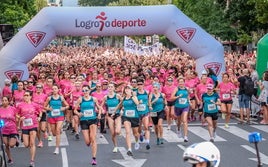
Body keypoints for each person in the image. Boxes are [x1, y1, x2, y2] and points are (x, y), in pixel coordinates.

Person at [73, 85, 103, 165]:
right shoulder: (80, 99)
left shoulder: (94, 99)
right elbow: (75, 110)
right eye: (83, 90)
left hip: (93, 120)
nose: (85, 92)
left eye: (86, 90)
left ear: (89, 91)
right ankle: (89, 141)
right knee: (87, 142)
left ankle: (94, 158)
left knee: (93, 139)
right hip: (83, 121)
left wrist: (99, 113)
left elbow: (99, 107)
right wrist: (78, 113)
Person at [17, 90, 42, 167]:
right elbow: (16, 114)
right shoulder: (20, 105)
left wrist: (39, 117)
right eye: (25, 95)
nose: (26, 97)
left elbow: (40, 111)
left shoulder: (35, 105)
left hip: (33, 125)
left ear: (31, 96)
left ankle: (32, 161)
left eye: (27, 95)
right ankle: (18, 138)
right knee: (26, 144)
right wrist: (20, 117)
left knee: (32, 143)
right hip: (24, 126)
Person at [44, 84, 69, 155]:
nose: (54, 90)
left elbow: (67, 105)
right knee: (54, 133)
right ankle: (58, 131)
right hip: (52, 116)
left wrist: (64, 108)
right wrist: (49, 108)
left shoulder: (61, 98)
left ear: (58, 90)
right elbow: (44, 106)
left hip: (60, 116)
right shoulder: (49, 98)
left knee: (57, 130)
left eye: (55, 89)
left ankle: (57, 148)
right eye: (53, 89)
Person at [120, 85, 140, 156]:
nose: (127, 90)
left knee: (135, 133)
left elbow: (137, 104)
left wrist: (132, 97)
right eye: (126, 89)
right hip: (126, 117)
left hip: (134, 116)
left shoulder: (134, 97)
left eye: (128, 89)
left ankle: (137, 141)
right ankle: (129, 149)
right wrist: (117, 111)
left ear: (131, 90)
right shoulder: (124, 98)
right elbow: (120, 105)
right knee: (128, 132)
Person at [102, 83, 122, 153]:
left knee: (117, 131)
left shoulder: (117, 96)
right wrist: (103, 110)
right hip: (110, 116)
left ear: (114, 88)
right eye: (109, 87)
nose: (110, 88)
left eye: (111, 87)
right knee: (113, 133)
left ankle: (119, 131)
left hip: (117, 114)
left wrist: (122, 110)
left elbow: (123, 103)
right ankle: (115, 146)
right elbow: (102, 106)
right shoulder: (105, 97)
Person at [0, 96, 19, 165]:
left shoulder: (12, 109)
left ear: (8, 101)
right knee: (6, 144)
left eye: (5, 100)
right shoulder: (0, 109)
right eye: (3, 100)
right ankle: (10, 158)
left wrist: (18, 125)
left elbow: (17, 117)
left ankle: (16, 139)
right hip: (4, 129)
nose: (4, 102)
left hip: (12, 129)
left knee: (11, 145)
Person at [171, 77, 191, 142]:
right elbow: (171, 98)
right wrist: (178, 97)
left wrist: (189, 101)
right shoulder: (176, 89)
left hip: (185, 106)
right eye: (180, 82)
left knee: (184, 121)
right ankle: (178, 129)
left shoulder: (186, 89)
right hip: (178, 107)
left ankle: (185, 136)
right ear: (178, 83)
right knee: (179, 121)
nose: (181, 83)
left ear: (184, 82)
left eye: (182, 82)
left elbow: (187, 95)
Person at [135, 78, 151, 150]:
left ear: (143, 85)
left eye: (141, 84)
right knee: (139, 128)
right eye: (138, 84)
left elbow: (148, 101)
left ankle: (147, 142)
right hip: (138, 113)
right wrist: (138, 101)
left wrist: (150, 106)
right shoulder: (135, 93)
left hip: (145, 112)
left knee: (146, 127)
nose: (139, 86)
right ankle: (141, 134)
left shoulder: (146, 92)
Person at [32, 83, 48, 147]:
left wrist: (46, 109)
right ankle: (40, 141)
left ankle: (45, 131)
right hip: (36, 113)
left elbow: (47, 103)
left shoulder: (45, 96)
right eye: (37, 88)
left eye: (40, 88)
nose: (38, 89)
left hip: (42, 112)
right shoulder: (33, 95)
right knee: (37, 128)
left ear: (42, 89)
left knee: (43, 128)